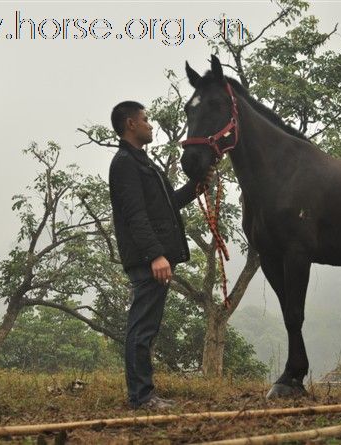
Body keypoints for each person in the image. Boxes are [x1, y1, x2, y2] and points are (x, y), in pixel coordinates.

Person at [109, 101, 201, 409]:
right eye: (146, 120)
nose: (151, 125)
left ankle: (145, 393)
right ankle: (141, 396)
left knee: (147, 326)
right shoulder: (125, 163)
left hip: (155, 256)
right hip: (148, 259)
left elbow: (167, 204)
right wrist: (155, 256)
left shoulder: (143, 162)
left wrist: (196, 186)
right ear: (131, 124)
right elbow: (135, 215)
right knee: (142, 327)